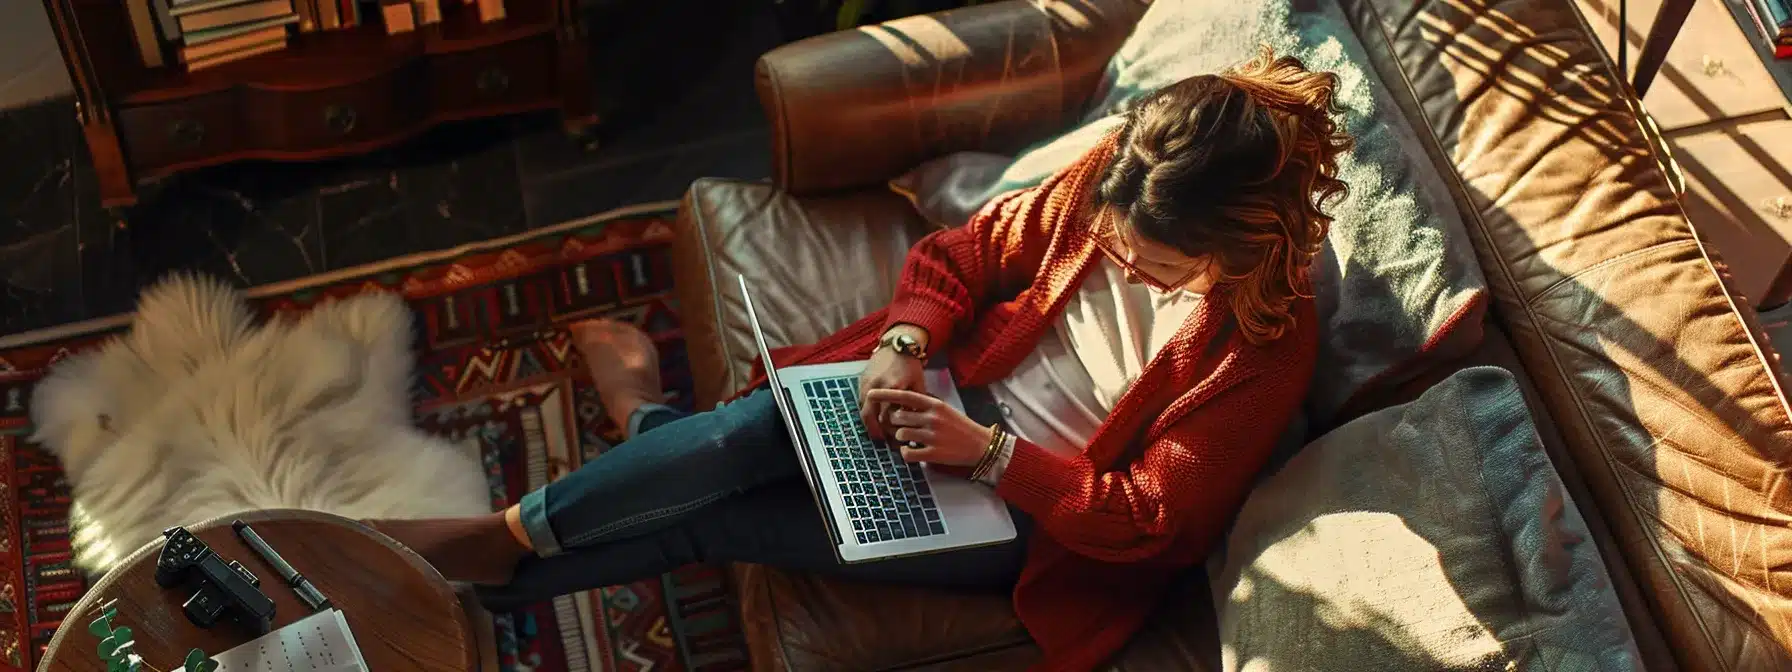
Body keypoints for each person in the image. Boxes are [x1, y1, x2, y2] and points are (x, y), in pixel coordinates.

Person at [370, 47, 1353, 671]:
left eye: (1162, 267)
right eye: (1117, 244)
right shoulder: (1115, 183)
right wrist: (901, 344)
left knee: (714, 520)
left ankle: (478, 553)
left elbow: (1152, 523)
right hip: (941, 395)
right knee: (741, 436)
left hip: (1026, 517)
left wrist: (993, 456)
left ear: (1248, 243)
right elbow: (964, 255)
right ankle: (487, 554)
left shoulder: (1262, 350)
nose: (1126, 268)